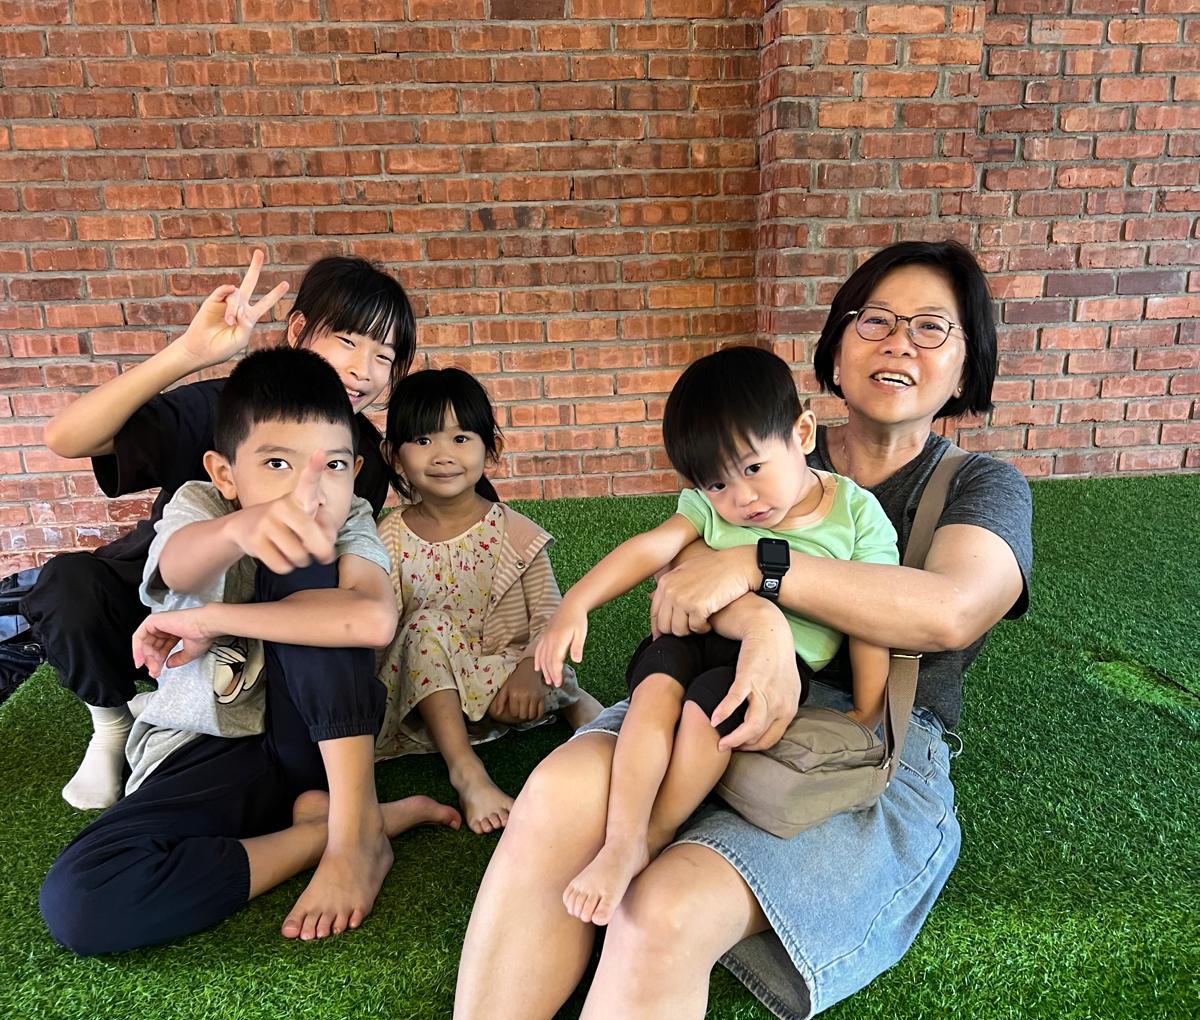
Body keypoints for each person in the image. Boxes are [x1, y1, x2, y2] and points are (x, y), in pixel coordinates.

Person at [324, 238, 1034, 1020]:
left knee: (662, 910)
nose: (899, 343)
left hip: (857, 755)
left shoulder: (977, 487)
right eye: (874, 317)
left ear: (969, 360)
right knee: (559, 791)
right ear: (830, 353)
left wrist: (762, 578)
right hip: (702, 701)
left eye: (932, 327)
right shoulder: (742, 452)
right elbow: (670, 575)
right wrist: (730, 608)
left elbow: (948, 610)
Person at [38, 347, 460, 957]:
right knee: (81, 899)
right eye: (277, 463)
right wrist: (242, 529)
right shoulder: (200, 505)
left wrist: (212, 619)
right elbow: (179, 567)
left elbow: (370, 619)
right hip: (204, 751)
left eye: (333, 465)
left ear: (356, 469)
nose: (307, 492)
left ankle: (353, 840)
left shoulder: (350, 518)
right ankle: (333, 830)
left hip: (314, 741)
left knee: (311, 569)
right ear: (225, 473)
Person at [23, 250, 415, 812]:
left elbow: (357, 589)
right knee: (67, 585)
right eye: (348, 341)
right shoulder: (228, 407)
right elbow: (66, 438)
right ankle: (112, 724)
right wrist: (188, 353)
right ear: (298, 331)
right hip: (169, 595)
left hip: (266, 618)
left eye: (384, 356)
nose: (363, 370)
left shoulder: (360, 458)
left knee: (315, 577)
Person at [534, 345, 898, 924]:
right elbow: (653, 547)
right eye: (716, 485)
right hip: (693, 628)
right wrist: (576, 603)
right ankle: (622, 838)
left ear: (803, 433)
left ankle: (654, 833)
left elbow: (871, 617)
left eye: (752, 469)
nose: (741, 499)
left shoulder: (855, 513)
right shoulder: (710, 510)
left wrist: (867, 709)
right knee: (652, 697)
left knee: (709, 717)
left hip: (769, 662)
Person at [374, 367, 601, 835]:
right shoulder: (389, 536)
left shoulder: (516, 533)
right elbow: (381, 625)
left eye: (461, 438)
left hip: (505, 681)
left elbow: (551, 615)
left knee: (546, 665)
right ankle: (467, 772)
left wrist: (529, 669)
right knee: (425, 625)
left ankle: (580, 706)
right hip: (431, 693)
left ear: (490, 448)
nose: (443, 455)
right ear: (393, 455)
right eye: (423, 440)